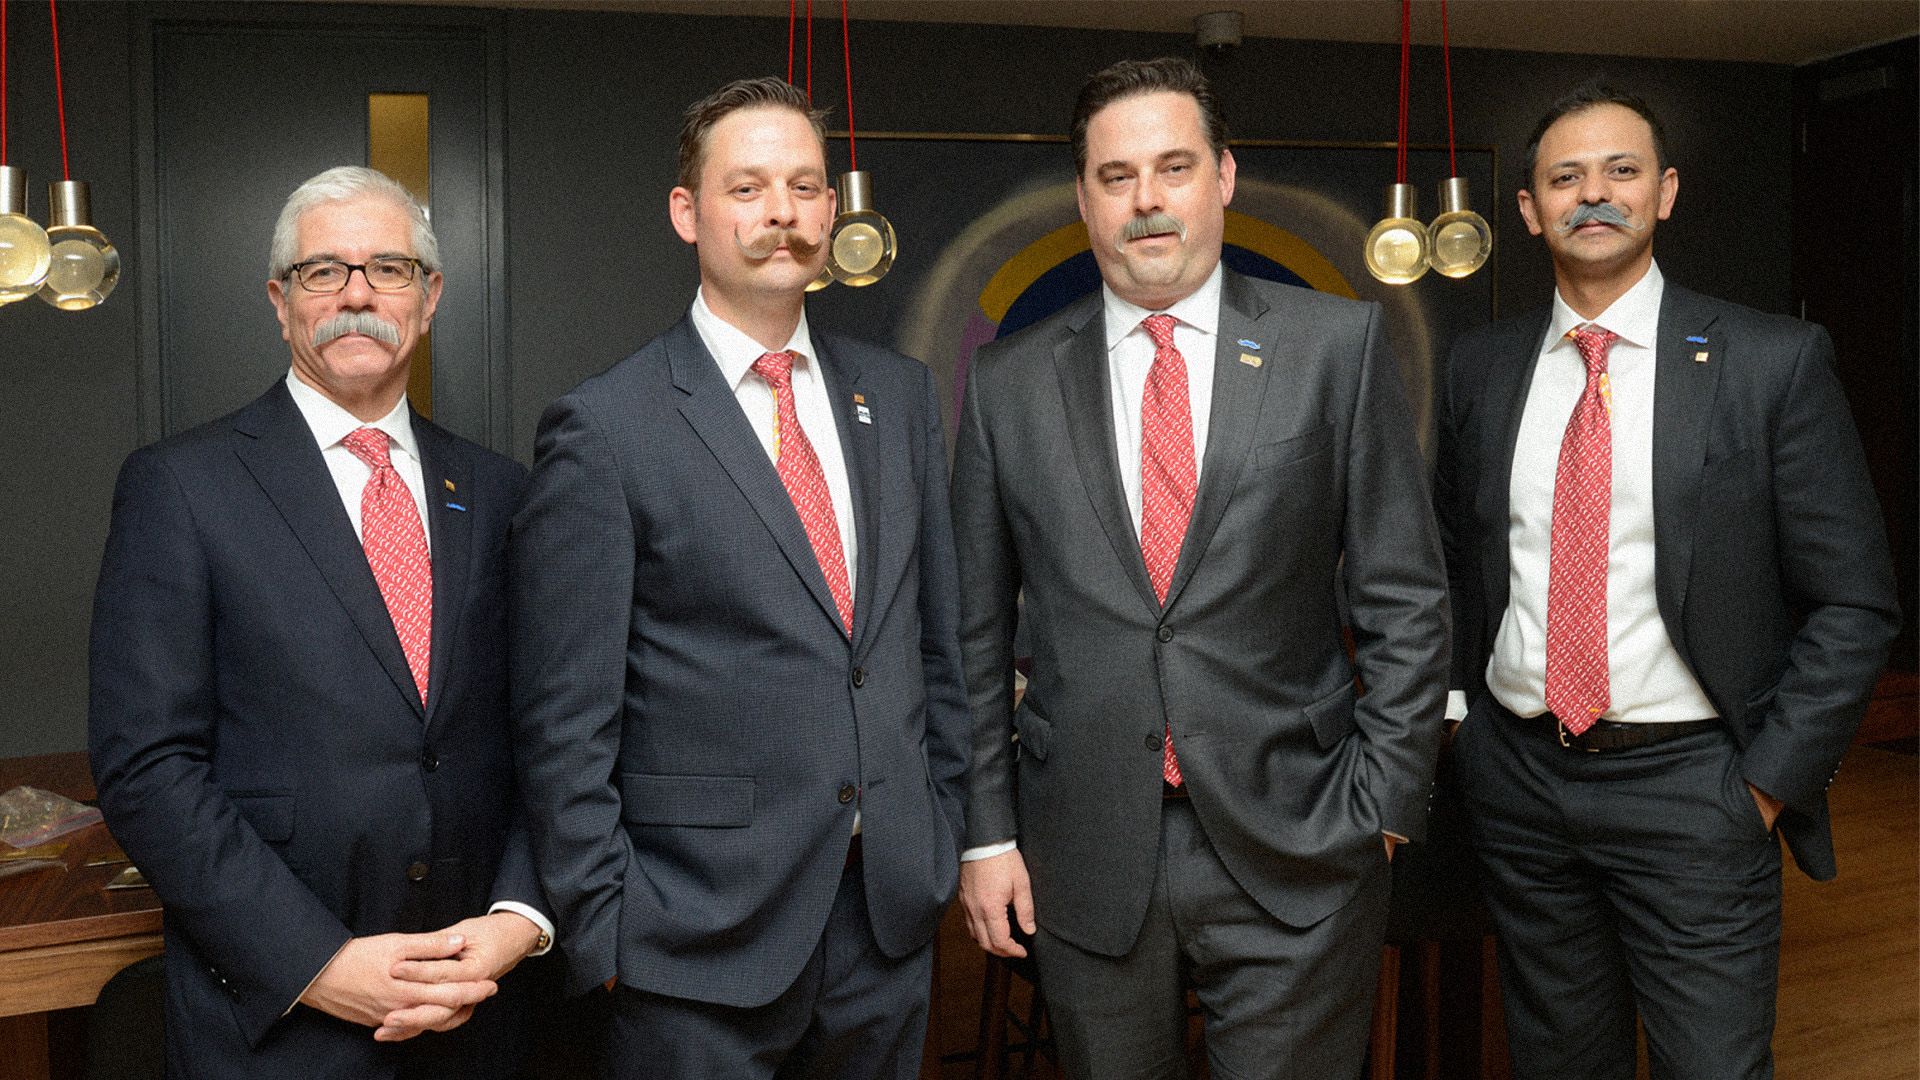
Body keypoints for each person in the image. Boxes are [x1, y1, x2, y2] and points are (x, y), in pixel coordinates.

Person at [951, 57, 1449, 1079]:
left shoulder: (1335, 347)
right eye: (1117, 175)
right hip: (1083, 853)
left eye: (1173, 167)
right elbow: (971, 634)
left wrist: (1384, 805)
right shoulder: (1006, 383)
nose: (1147, 199)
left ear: (1222, 176)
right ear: (1084, 197)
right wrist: (986, 835)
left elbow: (1404, 594)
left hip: (1303, 841)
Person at [1433, 84, 1900, 1080]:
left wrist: (1765, 785)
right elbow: (1450, 561)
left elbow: (1856, 601)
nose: (1594, 195)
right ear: (1530, 209)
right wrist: (1463, 726)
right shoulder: (1480, 366)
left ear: (1666, 192)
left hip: (1696, 788)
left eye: (1621, 171)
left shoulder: (1771, 361)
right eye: (1566, 178)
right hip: (1517, 784)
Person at [508, 76, 968, 1079]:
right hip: (691, 939)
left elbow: (937, 645)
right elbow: (563, 717)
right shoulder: (607, 426)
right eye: (748, 188)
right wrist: (602, 927)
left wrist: (944, 833)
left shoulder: (898, 398)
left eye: (804, 188)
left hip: (885, 918)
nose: (781, 214)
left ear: (832, 211)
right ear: (688, 212)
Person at [88, 166, 552, 1079]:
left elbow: (550, 733)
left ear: (430, 297)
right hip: (278, 1025)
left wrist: (518, 918)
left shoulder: (500, 491)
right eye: (323, 271)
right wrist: (318, 964)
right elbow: (147, 767)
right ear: (280, 301)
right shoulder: (181, 486)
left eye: (389, 268)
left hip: (479, 1011)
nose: (357, 295)